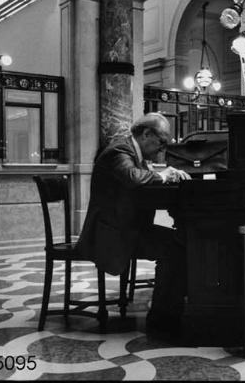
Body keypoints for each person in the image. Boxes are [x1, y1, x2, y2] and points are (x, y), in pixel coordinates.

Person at [76, 112, 191, 336]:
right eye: (162, 142)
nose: (162, 149)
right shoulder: (119, 150)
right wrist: (164, 175)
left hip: (128, 227)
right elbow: (132, 177)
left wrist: (166, 172)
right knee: (174, 246)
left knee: (177, 240)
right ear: (147, 134)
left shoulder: (131, 151)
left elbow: (140, 173)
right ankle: (162, 318)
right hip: (112, 235)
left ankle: (168, 310)